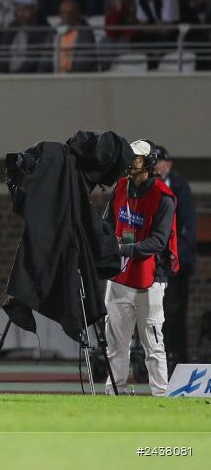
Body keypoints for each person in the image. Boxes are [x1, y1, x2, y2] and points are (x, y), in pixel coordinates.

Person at [103, 140, 179, 396]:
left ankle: (161, 395)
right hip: (119, 276)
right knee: (115, 344)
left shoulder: (164, 197)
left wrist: (121, 249)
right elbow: (107, 224)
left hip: (151, 280)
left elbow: (158, 241)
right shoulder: (120, 187)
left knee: (153, 345)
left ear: (148, 162)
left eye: (136, 157)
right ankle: (115, 393)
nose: (130, 160)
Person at [154, 146, 196, 367]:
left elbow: (187, 227)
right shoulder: (150, 187)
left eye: (160, 162)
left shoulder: (179, 187)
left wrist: (177, 257)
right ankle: (161, 359)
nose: (157, 166)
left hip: (176, 263)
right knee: (157, 314)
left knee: (175, 313)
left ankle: (179, 360)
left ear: (168, 165)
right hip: (156, 262)